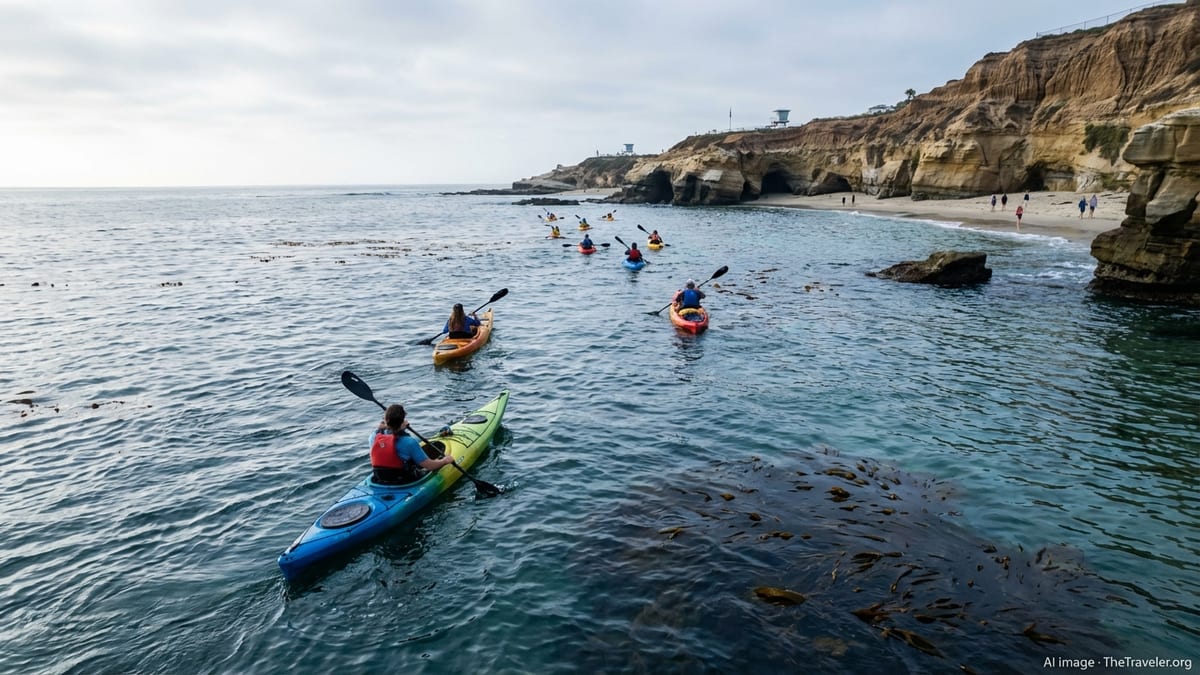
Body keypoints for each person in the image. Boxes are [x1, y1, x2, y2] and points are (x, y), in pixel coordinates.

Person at [370, 403, 455, 485]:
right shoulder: (409, 442)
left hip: (380, 479)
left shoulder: (374, 437)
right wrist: (445, 461)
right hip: (404, 480)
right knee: (435, 461)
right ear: (402, 420)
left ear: (385, 420)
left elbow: (389, 433)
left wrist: (397, 427)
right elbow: (430, 466)